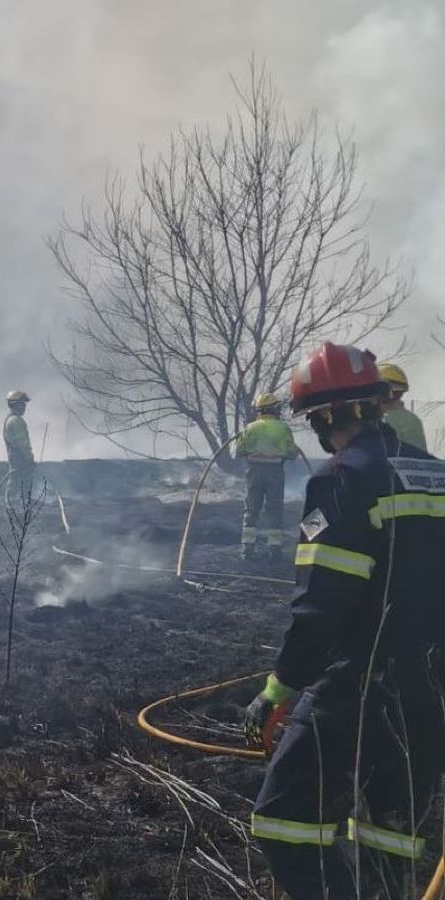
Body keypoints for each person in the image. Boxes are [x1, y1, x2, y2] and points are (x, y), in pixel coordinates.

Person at [244, 342, 445, 898]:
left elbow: (321, 606)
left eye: (312, 418)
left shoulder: (341, 481)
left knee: (283, 822)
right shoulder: (437, 475)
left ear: (327, 415)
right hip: (431, 694)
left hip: (360, 687)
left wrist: (279, 689)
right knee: (390, 843)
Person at [234, 392, 298, 560]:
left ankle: (247, 549)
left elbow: (238, 452)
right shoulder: (283, 428)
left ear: (259, 410)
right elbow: (292, 454)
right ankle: (274, 549)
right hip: (275, 473)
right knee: (274, 510)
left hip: (254, 473)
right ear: (275, 409)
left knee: (251, 509)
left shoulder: (250, 428)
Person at [379, 362, 429, 452]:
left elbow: (417, 456)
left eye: (396, 391)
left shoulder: (409, 420)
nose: (391, 395)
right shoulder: (364, 414)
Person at [2, 390, 34, 503]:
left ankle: (11, 502)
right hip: (20, 458)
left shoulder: (10, 420)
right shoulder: (16, 421)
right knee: (21, 481)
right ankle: (16, 504)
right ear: (16, 404)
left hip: (15, 457)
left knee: (15, 479)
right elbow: (23, 443)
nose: (24, 407)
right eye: (22, 404)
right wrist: (30, 459)